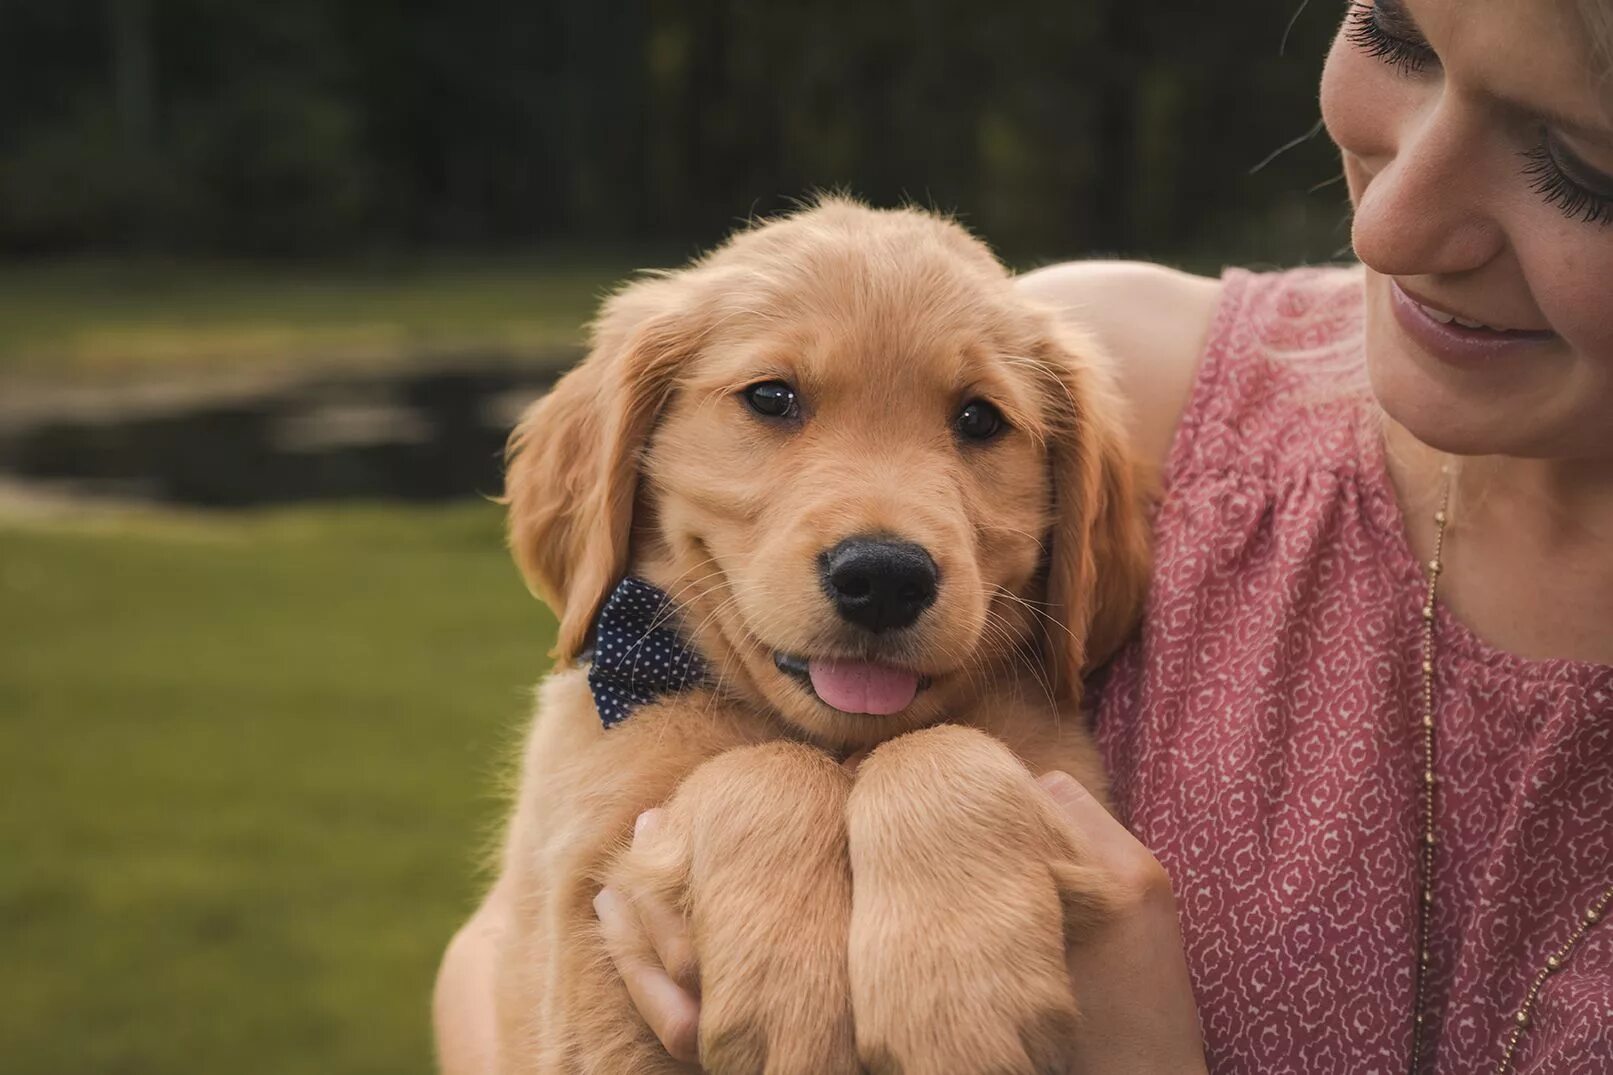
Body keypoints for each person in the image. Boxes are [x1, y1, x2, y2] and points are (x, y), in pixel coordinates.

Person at [435, 0, 1613, 1070]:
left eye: (1580, 167)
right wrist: (754, 804)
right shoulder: (1154, 378)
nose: (1392, 224)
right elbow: (489, 966)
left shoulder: (1086, 456)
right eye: (1394, 38)